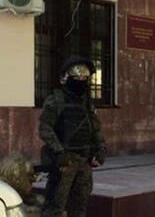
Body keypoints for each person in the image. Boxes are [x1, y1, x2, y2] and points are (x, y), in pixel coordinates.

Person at [38, 55, 106, 217]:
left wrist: (101, 148)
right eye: (77, 76)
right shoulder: (56, 100)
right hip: (65, 163)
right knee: (55, 206)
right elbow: (45, 128)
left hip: (84, 162)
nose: (81, 80)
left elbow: (95, 129)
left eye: (85, 77)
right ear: (66, 78)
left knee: (80, 206)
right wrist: (60, 152)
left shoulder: (87, 102)